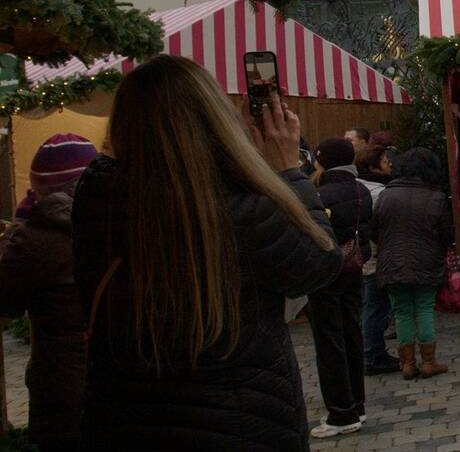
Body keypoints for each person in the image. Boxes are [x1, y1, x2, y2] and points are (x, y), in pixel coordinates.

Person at [72, 55, 341, 451]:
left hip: (124, 423)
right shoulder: (237, 211)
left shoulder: (97, 199)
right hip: (239, 423)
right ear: (212, 119)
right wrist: (286, 170)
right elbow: (318, 263)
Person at [0, 133, 97, 450]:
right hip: (119, 386)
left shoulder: (35, 239)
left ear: (39, 189)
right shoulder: (116, 220)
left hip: (61, 389)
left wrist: (17, 232)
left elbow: (5, 300)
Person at [307, 137, 374, 438]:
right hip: (354, 266)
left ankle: (340, 411)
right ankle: (356, 404)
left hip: (325, 271)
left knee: (329, 339)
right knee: (351, 332)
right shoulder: (361, 190)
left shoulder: (318, 194)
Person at [372, 148, 455, 379]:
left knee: (402, 311)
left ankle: (407, 363)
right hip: (426, 259)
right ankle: (429, 361)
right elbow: (447, 235)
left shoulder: (386, 195)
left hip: (391, 261)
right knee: (424, 308)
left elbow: (373, 230)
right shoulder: (436, 197)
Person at [352, 144, 400, 373]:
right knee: (375, 308)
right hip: (376, 257)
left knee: (371, 306)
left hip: (365, 256)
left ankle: (371, 352)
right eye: (384, 160)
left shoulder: (358, 187)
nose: (389, 163)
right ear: (373, 166)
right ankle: (373, 354)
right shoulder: (377, 192)